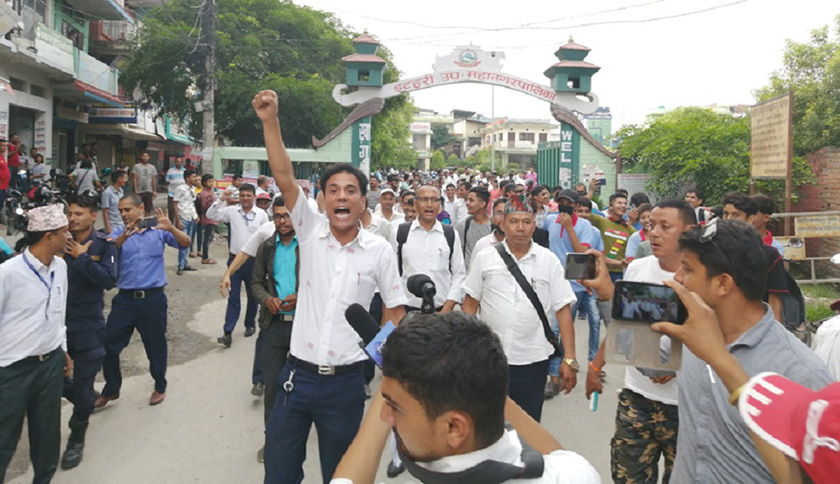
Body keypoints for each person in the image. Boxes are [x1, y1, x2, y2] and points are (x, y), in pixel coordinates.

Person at [253, 89, 408, 484]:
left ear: (361, 202)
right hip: (296, 378)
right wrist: (270, 120)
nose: (342, 196)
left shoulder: (379, 250)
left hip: (346, 385)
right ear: (321, 200)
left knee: (341, 476)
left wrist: (385, 362)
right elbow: (284, 177)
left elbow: (394, 310)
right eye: (333, 190)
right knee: (279, 472)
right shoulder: (308, 230)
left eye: (351, 190)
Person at [653, 219, 832, 482]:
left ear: (723, 284)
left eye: (688, 269)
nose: (677, 277)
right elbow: (644, 362)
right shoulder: (690, 335)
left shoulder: (801, 374)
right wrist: (607, 297)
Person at [330, 312, 600, 484]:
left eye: (394, 407)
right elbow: (557, 455)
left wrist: (394, 370)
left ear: (453, 428)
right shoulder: (576, 474)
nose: (385, 416)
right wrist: (472, 374)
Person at [587, 199, 696, 484]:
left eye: (664, 227)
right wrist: (596, 366)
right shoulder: (638, 269)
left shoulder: (704, 280)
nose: (654, 233)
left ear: (689, 231)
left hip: (684, 405)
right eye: (650, 226)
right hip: (637, 398)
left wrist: (675, 366)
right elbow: (623, 326)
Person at [463, 194, 578, 422]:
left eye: (526, 222)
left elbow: (563, 311)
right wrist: (465, 351)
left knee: (528, 426)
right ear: (503, 223)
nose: (520, 228)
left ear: (534, 226)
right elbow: (470, 304)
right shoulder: (485, 258)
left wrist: (570, 359)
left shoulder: (549, 261)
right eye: (514, 221)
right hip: (490, 359)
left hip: (533, 361)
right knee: (486, 423)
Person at [96, 196, 190, 408]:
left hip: (152, 299)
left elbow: (186, 243)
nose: (124, 214)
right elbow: (107, 251)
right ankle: (112, 388)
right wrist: (124, 237)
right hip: (125, 299)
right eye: (120, 210)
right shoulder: (119, 233)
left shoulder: (158, 229)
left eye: (128, 209)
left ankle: (159, 385)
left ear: (140, 209)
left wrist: (171, 228)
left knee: (155, 345)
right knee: (108, 344)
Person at [0, 205, 70, 483]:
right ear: (49, 236)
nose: (70, 237)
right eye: (65, 232)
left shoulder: (61, 267)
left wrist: (63, 348)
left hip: (50, 364)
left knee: (47, 436)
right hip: (12, 370)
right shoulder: (8, 274)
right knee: (4, 438)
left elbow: (59, 313)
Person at [61, 193, 118, 469]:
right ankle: (82, 398)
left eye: (79, 214)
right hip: (55, 326)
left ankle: (76, 437)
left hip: (87, 326)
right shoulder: (58, 242)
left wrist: (84, 259)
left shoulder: (104, 245)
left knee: (83, 386)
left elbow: (109, 280)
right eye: (70, 214)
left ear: (93, 216)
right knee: (51, 382)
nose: (73, 219)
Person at [542, 190, 604, 398]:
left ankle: (562, 373)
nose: (565, 205)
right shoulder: (550, 221)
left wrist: (569, 229)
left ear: (576, 206)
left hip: (575, 286)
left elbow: (582, 254)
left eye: (569, 203)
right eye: (561, 202)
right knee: (553, 332)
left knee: (568, 328)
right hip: (551, 283)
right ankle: (553, 375)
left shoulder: (586, 227)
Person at [250, 196, 298, 463]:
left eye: (287, 215)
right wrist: (266, 299)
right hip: (275, 327)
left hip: (305, 328)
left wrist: (301, 297)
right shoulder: (267, 247)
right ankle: (272, 442)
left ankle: (296, 438)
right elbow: (256, 281)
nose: (282, 221)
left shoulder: (310, 247)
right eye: (277, 216)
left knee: (303, 386)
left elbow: (323, 282)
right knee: (272, 387)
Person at [207, 183, 269, 350]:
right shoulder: (232, 211)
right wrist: (221, 198)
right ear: (239, 196)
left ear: (254, 197)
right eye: (242, 196)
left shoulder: (262, 215)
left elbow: (266, 238)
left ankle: (250, 323)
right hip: (234, 261)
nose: (245, 199)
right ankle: (228, 332)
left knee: (252, 295)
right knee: (233, 296)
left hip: (254, 262)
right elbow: (211, 214)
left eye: (249, 196)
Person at [721, 191, 789, 323]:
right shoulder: (712, 251)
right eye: (726, 214)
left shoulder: (769, 255)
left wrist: (775, 333)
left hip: (755, 324)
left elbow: (775, 300)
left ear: (750, 219)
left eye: (735, 215)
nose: (728, 219)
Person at [589, 192, 635, 281]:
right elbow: (585, 209)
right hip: (602, 269)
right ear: (611, 205)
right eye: (619, 203)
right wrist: (591, 190)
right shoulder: (601, 222)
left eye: (625, 203)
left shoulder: (630, 230)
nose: (623, 206)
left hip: (620, 273)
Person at [172, 169, 201, 275]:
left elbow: (191, 203)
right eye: (193, 177)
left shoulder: (193, 189)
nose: (195, 179)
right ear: (187, 178)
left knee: (189, 241)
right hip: (183, 216)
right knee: (183, 242)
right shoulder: (180, 189)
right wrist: (178, 220)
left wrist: (195, 216)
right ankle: (180, 265)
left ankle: (185, 262)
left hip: (191, 216)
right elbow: (175, 204)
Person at [456, 187, 492, 269]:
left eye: (471, 200)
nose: (467, 203)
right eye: (467, 200)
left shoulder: (494, 226)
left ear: (482, 204)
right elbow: (459, 254)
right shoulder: (463, 226)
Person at [197, 174, 219, 265]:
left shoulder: (212, 191)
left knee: (209, 237)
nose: (211, 183)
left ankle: (205, 255)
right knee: (207, 238)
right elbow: (205, 206)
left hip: (213, 218)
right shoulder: (205, 193)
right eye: (209, 181)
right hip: (208, 218)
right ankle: (205, 257)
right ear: (204, 183)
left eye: (212, 181)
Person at [101, 169, 127, 235]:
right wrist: (108, 228)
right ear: (119, 179)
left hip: (122, 223)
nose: (125, 181)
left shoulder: (121, 191)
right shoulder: (107, 193)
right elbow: (105, 212)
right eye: (124, 178)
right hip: (113, 225)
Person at [133, 152, 158, 216]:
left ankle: (147, 223)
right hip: (139, 191)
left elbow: (153, 179)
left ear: (149, 158)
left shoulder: (152, 167)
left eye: (147, 156)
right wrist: (135, 190)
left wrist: (154, 191)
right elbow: (135, 178)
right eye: (143, 156)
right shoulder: (137, 166)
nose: (145, 158)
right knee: (138, 208)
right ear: (141, 157)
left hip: (149, 191)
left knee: (148, 209)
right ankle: (139, 223)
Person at [165, 157, 186, 221]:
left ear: (182, 162)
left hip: (182, 194)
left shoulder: (185, 171)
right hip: (172, 193)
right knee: (171, 210)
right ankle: (170, 225)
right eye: (177, 161)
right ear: (175, 162)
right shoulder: (170, 171)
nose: (179, 163)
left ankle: (178, 225)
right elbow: (167, 181)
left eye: (180, 161)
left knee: (180, 210)